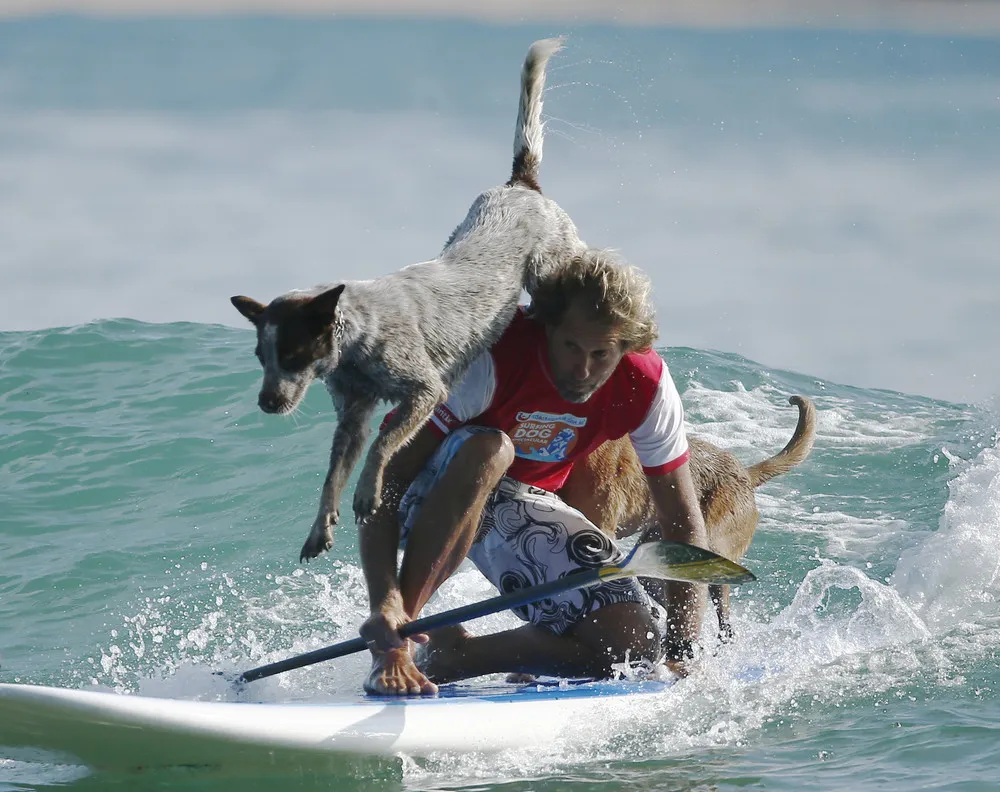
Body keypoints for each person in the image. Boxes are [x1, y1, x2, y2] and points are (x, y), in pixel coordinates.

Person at [358, 249, 708, 695]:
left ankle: (459, 657)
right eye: (570, 347)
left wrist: (683, 650)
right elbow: (385, 476)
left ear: (627, 346)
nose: (583, 370)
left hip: (515, 501)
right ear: (545, 327)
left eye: (601, 354)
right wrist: (384, 601)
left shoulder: (648, 385)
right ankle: (394, 646)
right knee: (490, 448)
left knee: (633, 650)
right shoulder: (490, 355)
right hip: (427, 487)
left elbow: (681, 521)